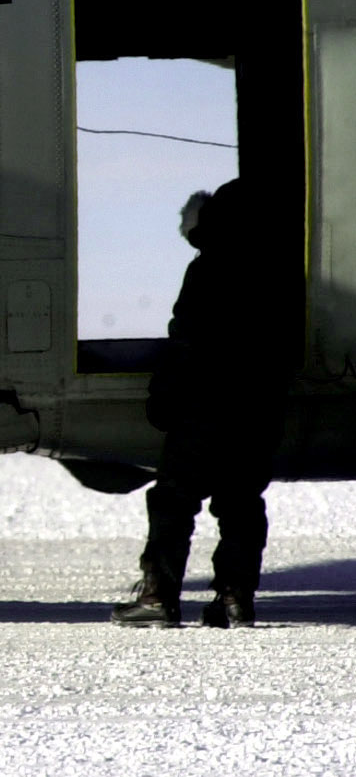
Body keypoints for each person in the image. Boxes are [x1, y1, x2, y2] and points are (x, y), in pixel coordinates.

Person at [111, 179, 288, 628]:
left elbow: (185, 341)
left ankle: (159, 598)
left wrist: (164, 399)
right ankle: (235, 601)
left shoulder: (207, 270)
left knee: (174, 500)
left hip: (205, 409)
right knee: (242, 504)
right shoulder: (279, 272)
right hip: (258, 409)